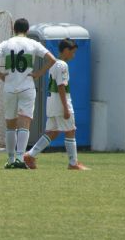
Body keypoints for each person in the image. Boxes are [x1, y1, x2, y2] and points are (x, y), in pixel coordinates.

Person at [0, 18, 57, 169]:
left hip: (9, 87)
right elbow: (52, 59)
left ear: (14, 30)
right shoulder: (33, 43)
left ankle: (10, 160)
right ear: (27, 30)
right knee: (25, 124)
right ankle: (20, 158)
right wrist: (38, 74)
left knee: (10, 125)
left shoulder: (6, 43)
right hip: (27, 87)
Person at [24, 38, 90, 170]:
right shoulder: (62, 65)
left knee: (52, 133)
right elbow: (61, 86)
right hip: (60, 103)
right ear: (66, 50)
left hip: (52, 103)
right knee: (70, 131)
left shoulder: (54, 64)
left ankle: (30, 155)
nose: (73, 55)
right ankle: (73, 163)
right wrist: (66, 108)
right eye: (73, 52)